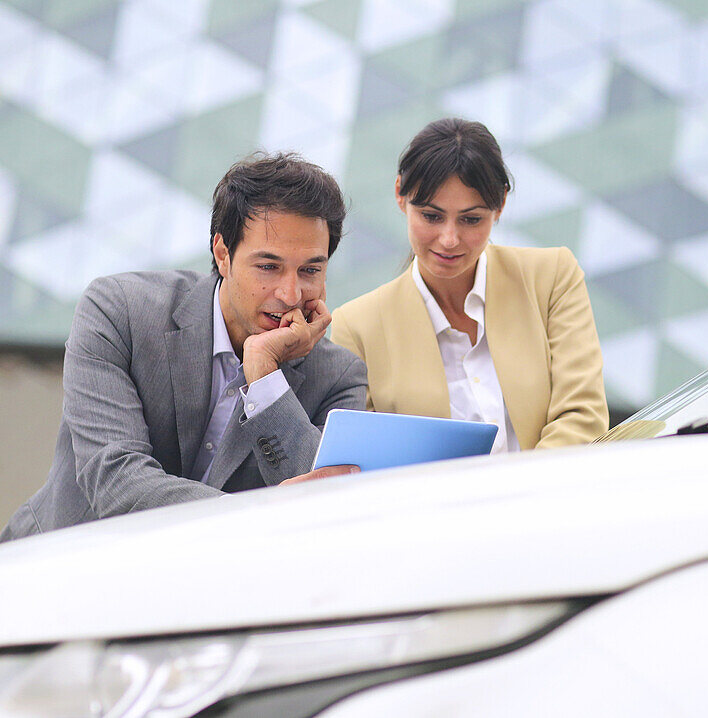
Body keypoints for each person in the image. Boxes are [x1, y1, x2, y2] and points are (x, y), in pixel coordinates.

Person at [1, 152, 367, 541]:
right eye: (268, 266)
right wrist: (257, 514)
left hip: (218, 594)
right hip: (58, 568)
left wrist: (265, 379)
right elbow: (115, 479)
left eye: (310, 270)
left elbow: (321, 512)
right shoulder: (118, 311)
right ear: (223, 254)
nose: (290, 293)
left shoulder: (339, 377)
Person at [331, 118, 608, 452]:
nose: (449, 239)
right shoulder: (357, 326)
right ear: (400, 196)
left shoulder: (551, 277)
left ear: (500, 205)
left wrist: (519, 497)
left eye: (471, 219)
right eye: (431, 216)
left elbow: (583, 415)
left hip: (546, 496)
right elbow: (367, 460)